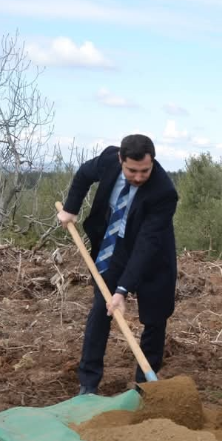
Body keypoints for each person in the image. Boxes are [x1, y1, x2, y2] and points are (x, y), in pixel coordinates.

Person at [57, 134, 179, 395]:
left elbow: (147, 243)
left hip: (154, 255)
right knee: (102, 308)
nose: (138, 177)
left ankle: (145, 388)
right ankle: (88, 383)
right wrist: (70, 209)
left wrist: (123, 289)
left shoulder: (164, 191)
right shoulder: (108, 161)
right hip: (114, 245)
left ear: (153, 162)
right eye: (132, 170)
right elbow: (82, 175)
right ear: (121, 159)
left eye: (144, 170)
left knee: (155, 318)